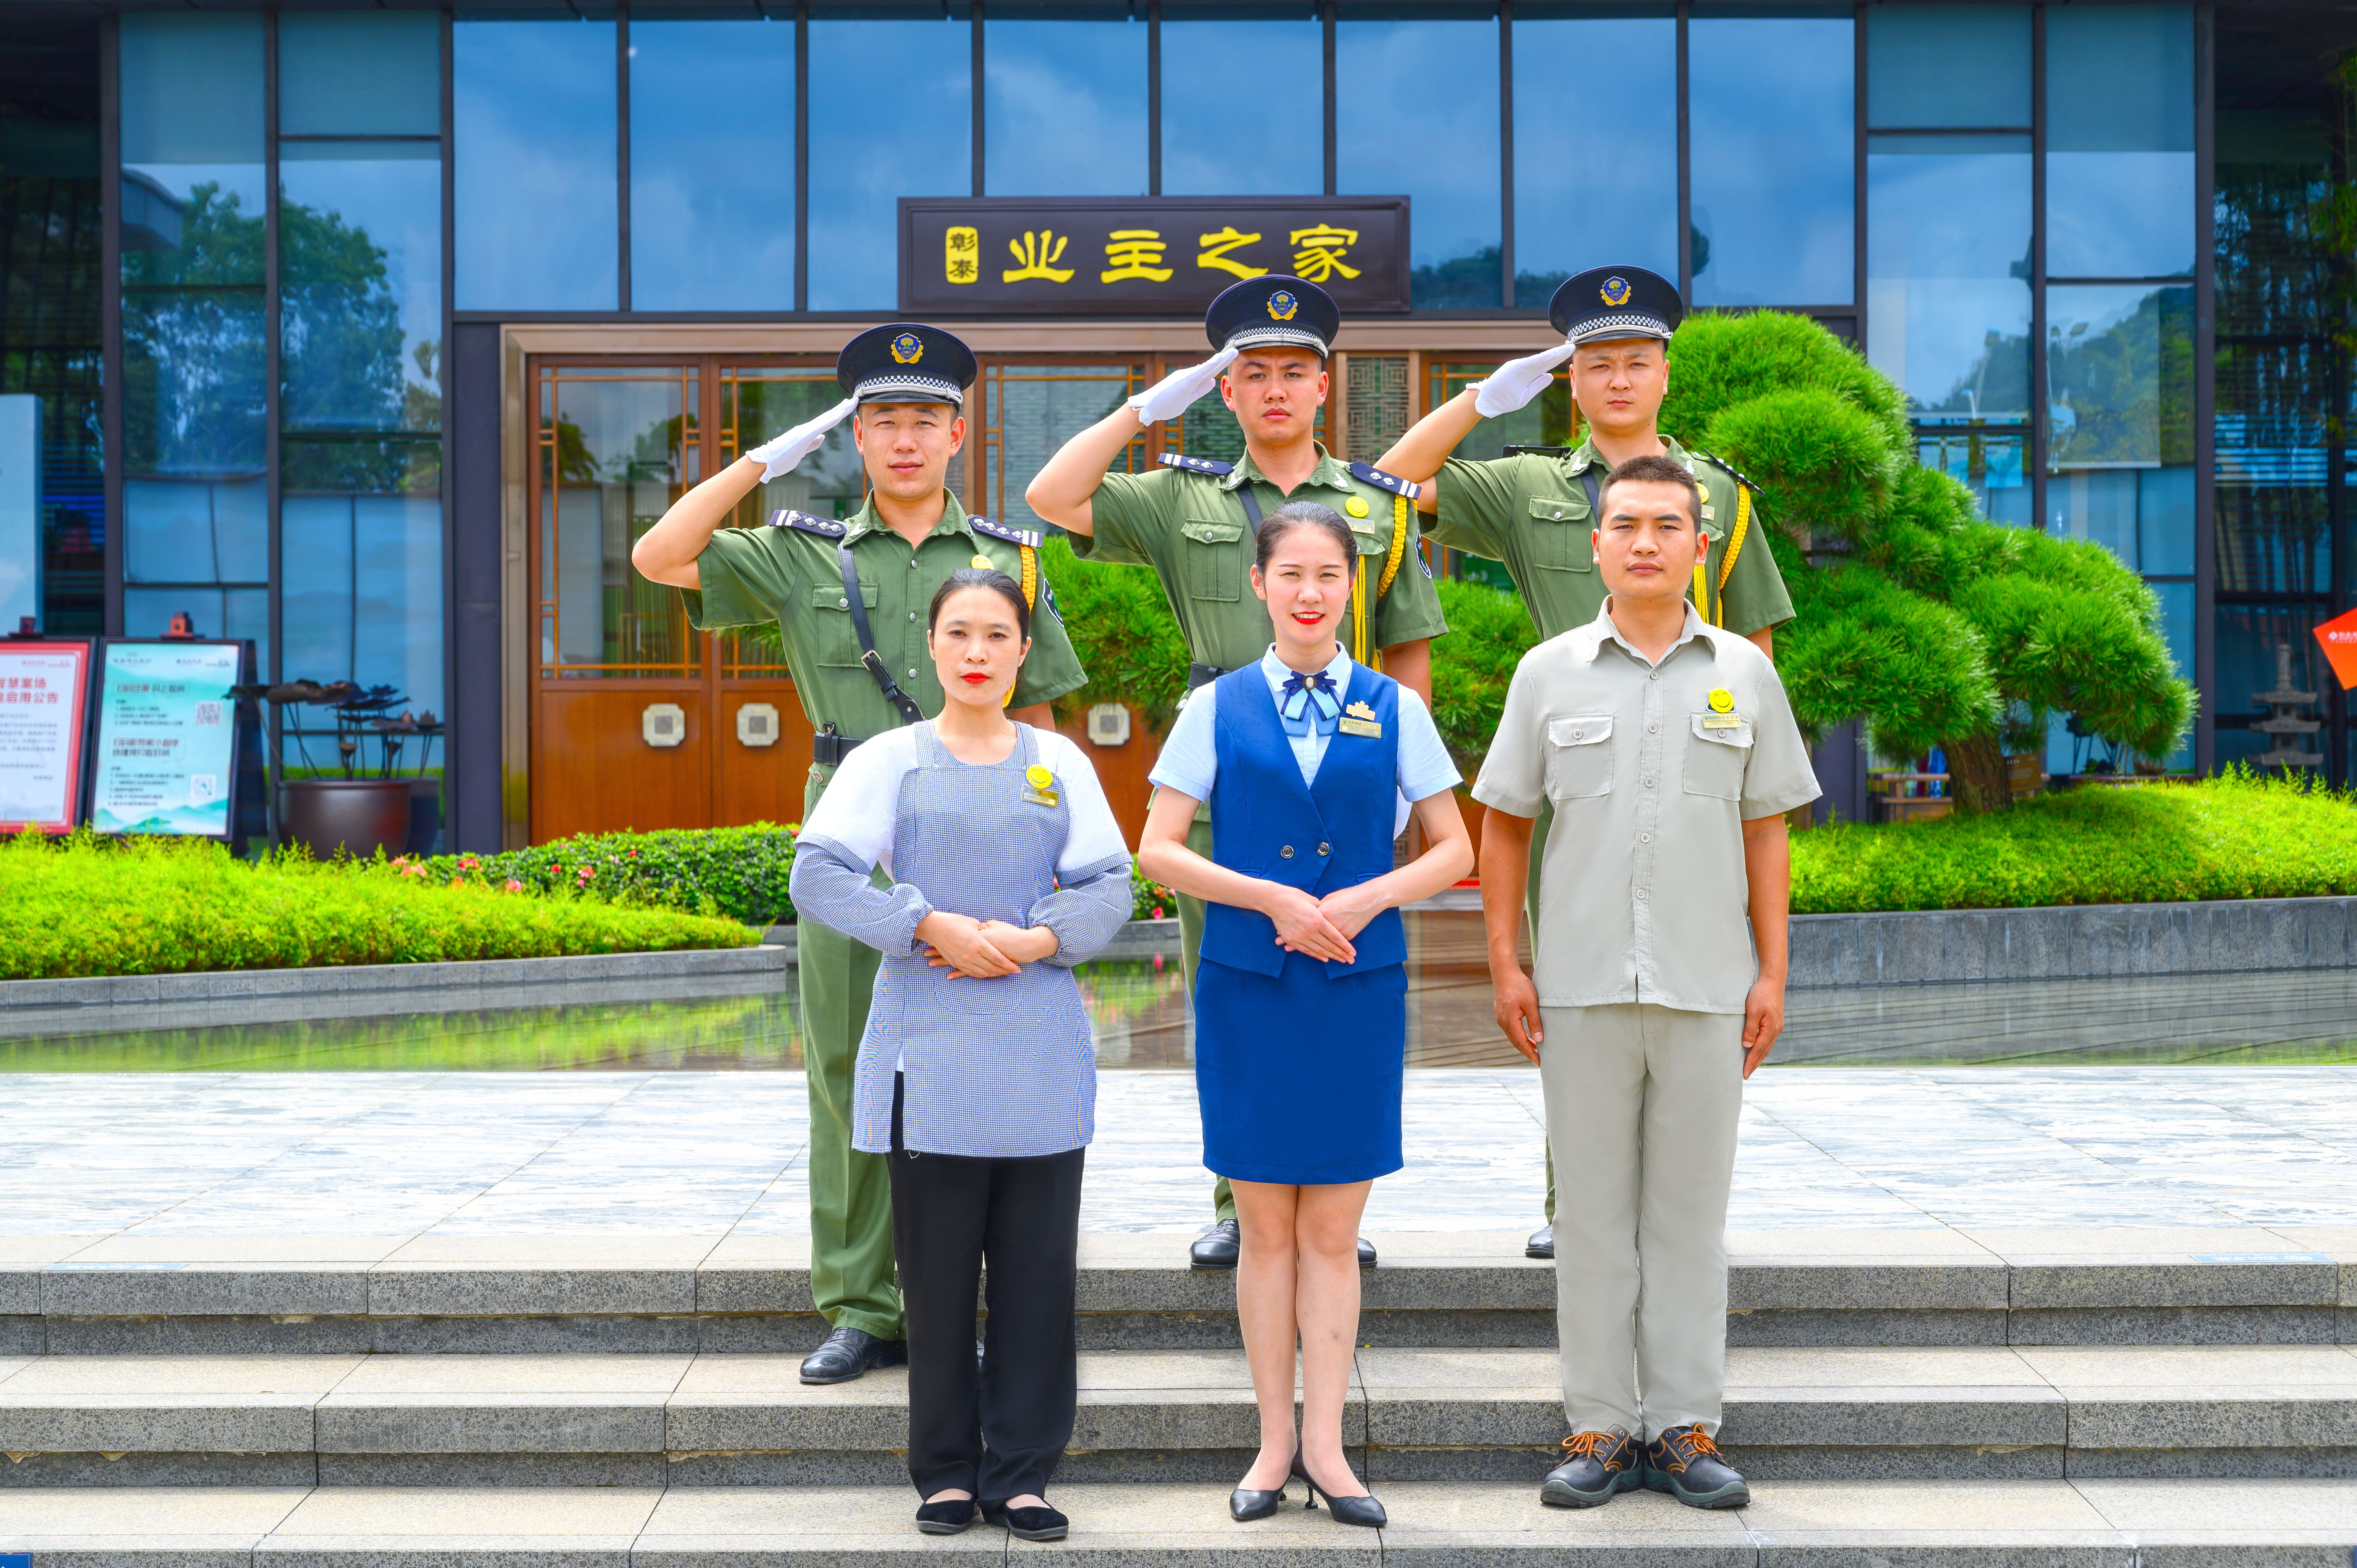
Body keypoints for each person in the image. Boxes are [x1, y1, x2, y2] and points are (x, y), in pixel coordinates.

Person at [631, 324, 1087, 1386]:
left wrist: (1062, 856)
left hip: (991, 821)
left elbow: (1051, 714)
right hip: (855, 823)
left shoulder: (1012, 560)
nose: (905, 438)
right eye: (882, 419)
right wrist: (761, 463)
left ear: (960, 432)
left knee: (990, 1065)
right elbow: (661, 558)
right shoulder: (803, 552)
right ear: (855, 436)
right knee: (849, 1067)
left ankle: (970, 1299)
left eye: (926, 418)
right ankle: (861, 1303)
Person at [1028, 274, 1450, 1271]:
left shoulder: (1374, 506)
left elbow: (1408, 649)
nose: (1273, 390)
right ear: (1225, 392)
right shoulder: (1183, 495)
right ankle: (1240, 1191)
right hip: (1227, 755)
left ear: (1323, 384)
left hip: (1349, 760)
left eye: (1292, 373)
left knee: (1346, 980)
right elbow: (1054, 497)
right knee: (1232, 981)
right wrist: (1144, 407)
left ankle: (1338, 1188)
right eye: (1250, 374)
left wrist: (1394, 795)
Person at [1374, 264, 1795, 1261]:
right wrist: (1484, 396)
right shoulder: (1528, 485)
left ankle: (1679, 1211)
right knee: (1574, 994)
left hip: (1695, 779)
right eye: (1595, 364)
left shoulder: (1721, 496)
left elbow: (1757, 658)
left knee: (1696, 994)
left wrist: (1748, 790)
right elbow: (1385, 482)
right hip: (1573, 776)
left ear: (1665, 374)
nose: (1617, 380)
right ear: (1570, 381)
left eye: (1635, 362)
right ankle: (1578, 1204)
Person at [1470, 454, 1819, 1514]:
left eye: (1668, 525)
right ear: (1596, 543)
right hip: (1577, 985)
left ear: (1699, 545)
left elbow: (1767, 830)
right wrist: (1504, 959)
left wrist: (1773, 972)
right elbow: (1505, 825)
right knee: (1590, 1217)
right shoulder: (1549, 672)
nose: (1645, 542)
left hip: (1710, 987)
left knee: (1686, 1217)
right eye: (1625, 524)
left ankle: (1683, 1426)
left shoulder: (1746, 677)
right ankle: (1595, 1427)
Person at [1136, 502, 1472, 1530]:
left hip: (1354, 990)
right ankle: (1271, 1443)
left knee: (1331, 1233)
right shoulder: (1217, 706)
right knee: (1262, 1233)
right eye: (1294, 573)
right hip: (1250, 987)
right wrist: (1270, 897)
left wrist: (1368, 896)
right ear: (1260, 584)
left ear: (1352, 589)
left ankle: (1327, 1449)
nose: (1312, 592)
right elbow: (1159, 847)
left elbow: (1454, 849)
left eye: (1331, 574)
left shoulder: (1395, 706)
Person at [789, 567, 1131, 1543]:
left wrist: (1035, 939)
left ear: (1025, 652)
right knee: (935, 1283)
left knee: (1035, 1280)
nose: (977, 652)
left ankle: (1021, 1473)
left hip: (1037, 1046)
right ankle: (944, 1471)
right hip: (926, 1046)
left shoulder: (1059, 759)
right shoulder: (888, 760)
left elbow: (1112, 882)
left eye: (997, 635)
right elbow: (819, 874)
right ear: (930, 648)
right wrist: (927, 921)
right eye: (959, 634)